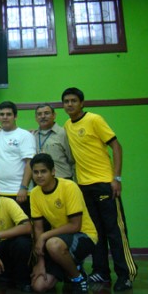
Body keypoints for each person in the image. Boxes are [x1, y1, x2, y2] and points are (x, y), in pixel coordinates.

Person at [61, 87, 137, 291]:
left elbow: (117, 146)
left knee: (115, 232)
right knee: (96, 233)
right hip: (84, 187)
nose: (70, 104)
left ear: (82, 103)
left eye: (73, 100)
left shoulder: (95, 119)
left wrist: (117, 178)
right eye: (66, 101)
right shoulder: (67, 125)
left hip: (105, 183)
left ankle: (126, 274)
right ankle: (101, 271)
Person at [29, 153, 98, 293]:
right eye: (36, 172)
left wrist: (44, 237)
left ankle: (78, 278)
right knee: (39, 286)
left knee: (53, 244)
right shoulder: (35, 194)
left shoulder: (69, 187)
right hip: (58, 240)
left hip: (84, 235)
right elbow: (38, 229)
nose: (39, 175)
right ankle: (72, 266)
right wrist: (40, 263)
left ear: (53, 172)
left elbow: (75, 225)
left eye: (43, 171)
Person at [0, 101, 36, 216]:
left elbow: (29, 163)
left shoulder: (25, 135)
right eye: (2, 114)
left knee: (22, 228)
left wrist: (24, 187)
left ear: (15, 116)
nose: (5, 117)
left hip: (19, 192)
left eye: (8, 114)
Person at [32, 103, 74, 179]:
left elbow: (72, 159)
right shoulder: (33, 136)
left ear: (54, 115)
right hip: (41, 181)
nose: (43, 116)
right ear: (36, 118)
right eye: (39, 114)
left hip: (62, 179)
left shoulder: (63, 133)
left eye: (46, 113)